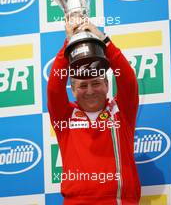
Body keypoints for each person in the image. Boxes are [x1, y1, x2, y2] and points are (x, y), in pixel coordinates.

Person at [47, 18, 141, 205]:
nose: (90, 91)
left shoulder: (120, 112)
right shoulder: (65, 117)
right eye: (83, 85)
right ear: (72, 91)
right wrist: (69, 44)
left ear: (107, 85)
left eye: (96, 83)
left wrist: (104, 41)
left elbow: (128, 80)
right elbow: (54, 89)